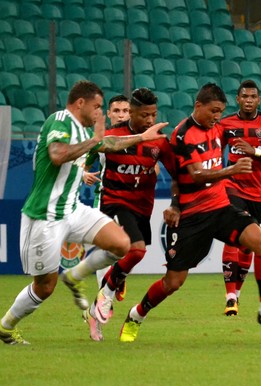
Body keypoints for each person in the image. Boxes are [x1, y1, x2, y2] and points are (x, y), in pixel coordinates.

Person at [118, 83, 261, 343]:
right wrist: (230, 171)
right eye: (214, 111)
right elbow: (197, 175)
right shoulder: (183, 134)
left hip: (221, 207)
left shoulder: (217, 127)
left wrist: (254, 148)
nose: (217, 117)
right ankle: (137, 314)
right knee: (173, 283)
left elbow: (253, 141)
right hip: (192, 217)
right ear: (198, 105)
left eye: (221, 112)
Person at [0, 80, 167, 345]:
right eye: (97, 107)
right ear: (81, 103)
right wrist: (94, 141)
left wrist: (142, 138)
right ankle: (6, 326)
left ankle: (76, 274)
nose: (99, 113)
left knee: (122, 244)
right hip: (45, 215)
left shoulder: (82, 129)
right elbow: (57, 155)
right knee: (44, 287)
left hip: (73, 209)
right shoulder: (60, 121)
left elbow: (110, 143)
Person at [81, 88, 178, 341]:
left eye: (153, 115)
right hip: (113, 202)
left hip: (142, 207)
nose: (149, 120)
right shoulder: (113, 135)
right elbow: (94, 150)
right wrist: (83, 172)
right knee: (134, 251)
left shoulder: (159, 141)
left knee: (131, 253)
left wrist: (177, 203)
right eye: (144, 115)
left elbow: (179, 173)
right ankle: (108, 292)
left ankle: (104, 296)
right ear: (131, 113)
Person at [219, 79, 261, 316]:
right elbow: (215, 152)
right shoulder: (226, 123)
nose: (248, 100)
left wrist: (255, 151)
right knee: (232, 237)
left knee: (248, 247)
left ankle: (236, 295)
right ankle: (229, 296)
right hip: (232, 186)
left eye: (252, 97)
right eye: (244, 96)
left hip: (258, 192)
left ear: (259, 100)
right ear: (237, 99)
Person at [82, 94, 131, 293]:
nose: (121, 115)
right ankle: (104, 298)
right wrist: (84, 173)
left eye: (126, 111)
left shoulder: (139, 137)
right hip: (105, 197)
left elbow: (153, 169)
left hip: (133, 201)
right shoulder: (101, 138)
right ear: (109, 113)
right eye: (117, 111)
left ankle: (118, 275)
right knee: (103, 247)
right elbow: (82, 162)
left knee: (129, 248)